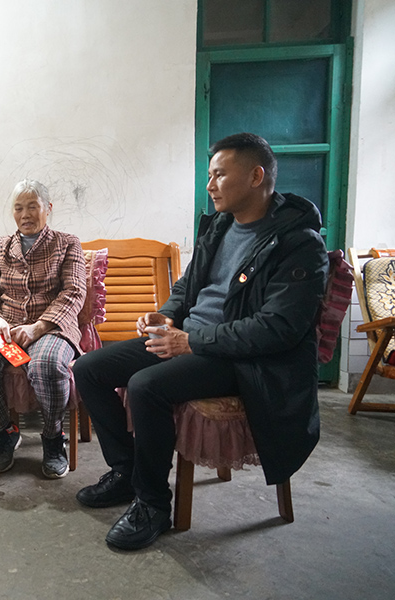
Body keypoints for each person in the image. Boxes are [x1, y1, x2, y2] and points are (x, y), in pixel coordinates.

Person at [72, 133, 329, 550]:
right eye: (210, 175)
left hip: (247, 360)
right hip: (192, 338)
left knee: (146, 386)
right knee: (89, 368)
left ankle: (153, 504)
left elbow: (276, 329)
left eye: (219, 175)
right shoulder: (221, 226)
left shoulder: (298, 244)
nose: (210, 185)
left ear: (256, 177)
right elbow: (188, 285)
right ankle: (126, 472)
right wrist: (167, 315)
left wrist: (190, 342)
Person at [0, 179, 86, 478]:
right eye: (19, 208)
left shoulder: (67, 243)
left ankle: (53, 438)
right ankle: (5, 432)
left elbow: (74, 292)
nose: (25, 214)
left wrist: (38, 327)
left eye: (33, 206)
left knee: (47, 364)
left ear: (48, 208)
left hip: (52, 327)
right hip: (6, 325)